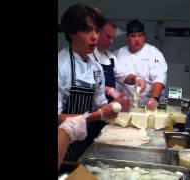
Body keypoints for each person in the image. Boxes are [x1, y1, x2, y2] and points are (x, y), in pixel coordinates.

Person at [58, 4, 118, 162]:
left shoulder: (96, 67)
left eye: (97, 30)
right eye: (87, 30)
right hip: (60, 146)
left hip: (83, 145)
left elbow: (100, 103)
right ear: (71, 32)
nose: (94, 37)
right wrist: (98, 115)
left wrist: (112, 108)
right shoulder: (60, 66)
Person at [113, 19, 168, 111]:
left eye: (140, 35)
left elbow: (159, 78)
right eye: (133, 36)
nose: (137, 39)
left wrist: (154, 98)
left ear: (144, 37)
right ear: (127, 38)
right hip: (124, 106)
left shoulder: (154, 53)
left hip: (148, 106)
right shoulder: (117, 54)